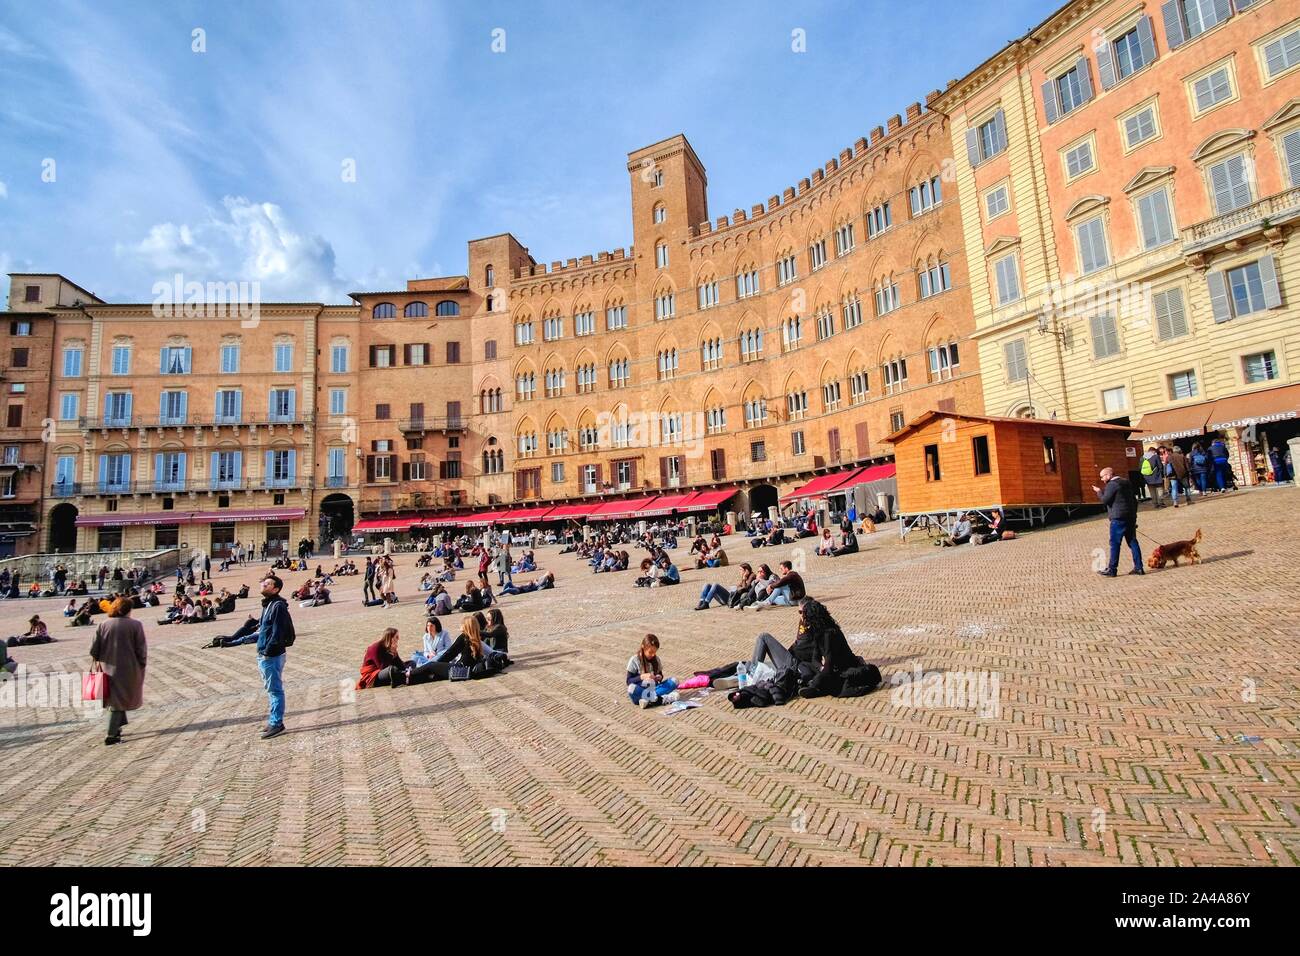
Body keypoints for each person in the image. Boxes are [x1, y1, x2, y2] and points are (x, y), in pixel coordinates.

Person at [89, 597, 147, 746]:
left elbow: (94, 650)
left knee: (116, 699)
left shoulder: (103, 625)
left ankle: (118, 727)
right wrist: (141, 665)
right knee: (118, 702)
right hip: (128, 668)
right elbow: (141, 650)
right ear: (128, 609)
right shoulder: (135, 625)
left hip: (107, 668)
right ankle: (112, 734)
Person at [255, 574, 295, 739]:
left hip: (271, 655)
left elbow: (277, 632)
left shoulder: (277, 606)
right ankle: (274, 720)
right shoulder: (268, 604)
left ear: (276, 589)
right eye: (264, 582)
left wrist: (267, 652)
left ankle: (277, 723)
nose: (264, 584)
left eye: (268, 583)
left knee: (275, 690)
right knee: (271, 689)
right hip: (267, 653)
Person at [1093, 467, 1143, 577]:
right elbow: (1134, 500)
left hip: (1118, 518)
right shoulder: (1126, 482)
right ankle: (1139, 567)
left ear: (1109, 475)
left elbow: (1105, 500)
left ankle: (1112, 569)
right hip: (1130, 517)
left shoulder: (1112, 485)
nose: (1102, 479)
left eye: (1102, 477)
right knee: (1132, 542)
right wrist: (1134, 516)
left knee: (1115, 544)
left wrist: (1099, 492)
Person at [625, 634, 678, 709]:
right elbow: (628, 681)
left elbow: (660, 675)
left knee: (674, 681)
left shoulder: (656, 659)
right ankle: (660, 700)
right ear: (643, 647)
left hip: (655, 689)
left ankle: (648, 700)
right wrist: (641, 677)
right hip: (641, 690)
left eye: (655, 652)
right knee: (631, 688)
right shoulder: (634, 660)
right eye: (650, 652)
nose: (653, 655)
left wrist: (659, 677)